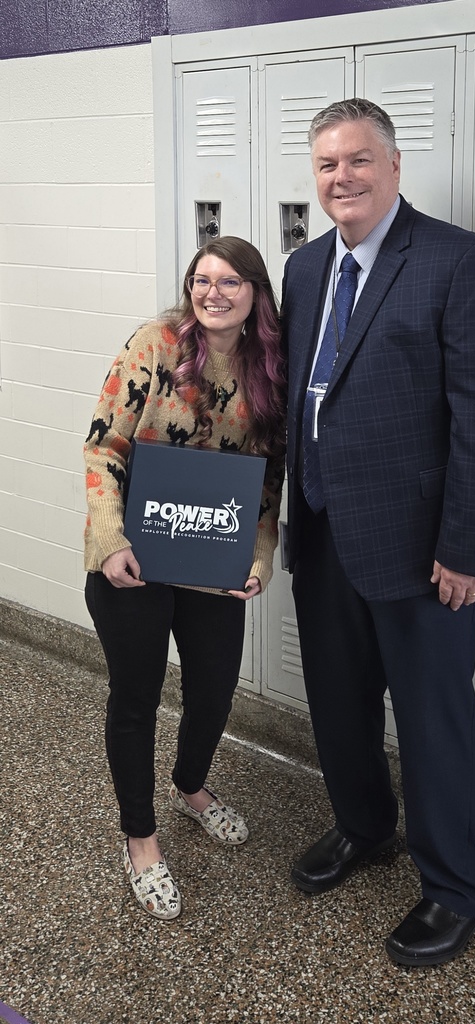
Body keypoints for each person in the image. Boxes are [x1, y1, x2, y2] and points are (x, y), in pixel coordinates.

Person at [280, 98, 475, 966]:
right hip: (322, 532)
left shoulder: (457, 262)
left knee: (434, 722)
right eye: (325, 166)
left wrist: (470, 546)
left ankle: (459, 887)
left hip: (424, 547)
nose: (339, 178)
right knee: (339, 708)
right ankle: (364, 829)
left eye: (356, 161)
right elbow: (299, 400)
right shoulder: (307, 267)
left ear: (393, 168)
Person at [83, 236, 286, 920]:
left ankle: (191, 786)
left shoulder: (270, 368)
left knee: (212, 691)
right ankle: (140, 840)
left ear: (255, 293)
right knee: (136, 698)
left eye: (230, 282)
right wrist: (109, 538)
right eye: (202, 280)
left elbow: (267, 483)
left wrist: (257, 557)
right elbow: (103, 443)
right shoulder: (158, 343)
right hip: (133, 558)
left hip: (210, 563)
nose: (212, 293)